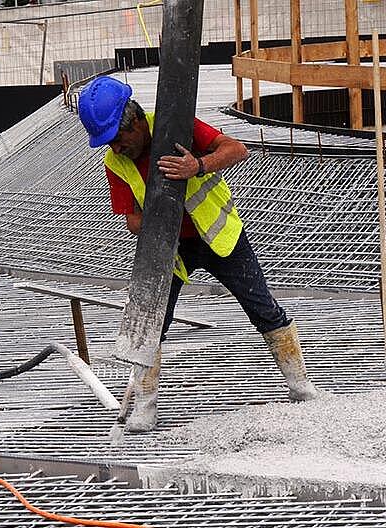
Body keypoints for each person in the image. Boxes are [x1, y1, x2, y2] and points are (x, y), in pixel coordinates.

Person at [77, 76, 321, 433]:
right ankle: (145, 409)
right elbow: (131, 218)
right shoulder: (116, 163)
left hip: (218, 236)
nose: (114, 148)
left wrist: (199, 165)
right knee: (152, 324)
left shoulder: (176, 125)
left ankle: (301, 387)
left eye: (118, 138)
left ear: (138, 122)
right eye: (108, 142)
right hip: (171, 248)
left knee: (263, 308)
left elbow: (237, 149)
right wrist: (154, 218)